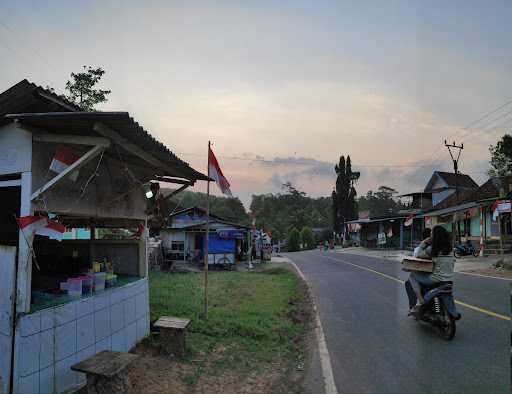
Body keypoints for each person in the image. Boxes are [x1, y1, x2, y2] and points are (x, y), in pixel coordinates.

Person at [405, 225, 455, 314]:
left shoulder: (432, 249)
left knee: (412, 275)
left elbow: (417, 254)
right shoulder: (450, 249)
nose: (430, 236)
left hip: (436, 279)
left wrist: (423, 243)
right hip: (449, 279)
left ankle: (420, 299)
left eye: (431, 234)